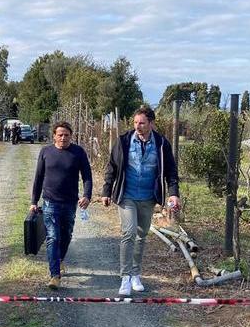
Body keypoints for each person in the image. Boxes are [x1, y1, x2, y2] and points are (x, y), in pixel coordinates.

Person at [101, 105, 180, 296]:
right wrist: (106, 191)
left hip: (148, 197)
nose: (138, 126)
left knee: (141, 235)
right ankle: (125, 278)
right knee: (128, 233)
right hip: (126, 195)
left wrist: (173, 193)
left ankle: (136, 274)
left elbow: (171, 172)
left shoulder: (162, 144)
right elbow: (111, 167)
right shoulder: (124, 141)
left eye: (142, 123)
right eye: (135, 122)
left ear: (151, 124)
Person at [30, 122, 92, 289]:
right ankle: (55, 276)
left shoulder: (78, 152)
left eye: (66, 135)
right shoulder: (46, 152)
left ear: (71, 136)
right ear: (54, 136)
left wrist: (87, 195)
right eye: (60, 135)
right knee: (53, 237)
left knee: (66, 235)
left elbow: (87, 176)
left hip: (70, 202)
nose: (63, 138)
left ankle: (59, 259)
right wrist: (34, 202)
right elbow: (38, 177)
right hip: (50, 202)